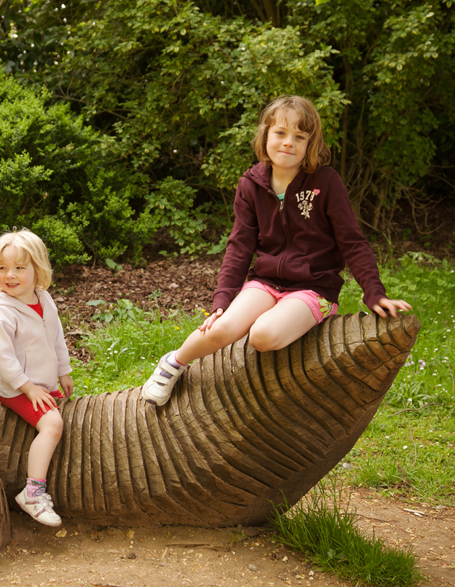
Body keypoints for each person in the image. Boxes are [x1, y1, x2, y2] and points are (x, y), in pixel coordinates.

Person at [142, 95, 412, 406]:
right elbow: (239, 245)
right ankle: (172, 363)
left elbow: (352, 241)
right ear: (265, 136)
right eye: (280, 133)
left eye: (300, 136)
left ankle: (297, 317)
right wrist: (223, 300)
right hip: (266, 282)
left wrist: (374, 293)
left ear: (310, 145)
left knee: (262, 336)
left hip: (313, 287)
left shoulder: (325, 182)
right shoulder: (251, 184)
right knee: (225, 326)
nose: (288, 143)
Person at [0, 229, 73, 527]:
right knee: (53, 424)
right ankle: (33, 492)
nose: (10, 275)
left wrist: (63, 370)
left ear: (38, 269)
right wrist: (28, 388)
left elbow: (56, 337)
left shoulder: (43, 299)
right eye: (3, 268)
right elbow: (2, 360)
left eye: (20, 267)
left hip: (41, 382)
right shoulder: (1, 315)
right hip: (16, 388)